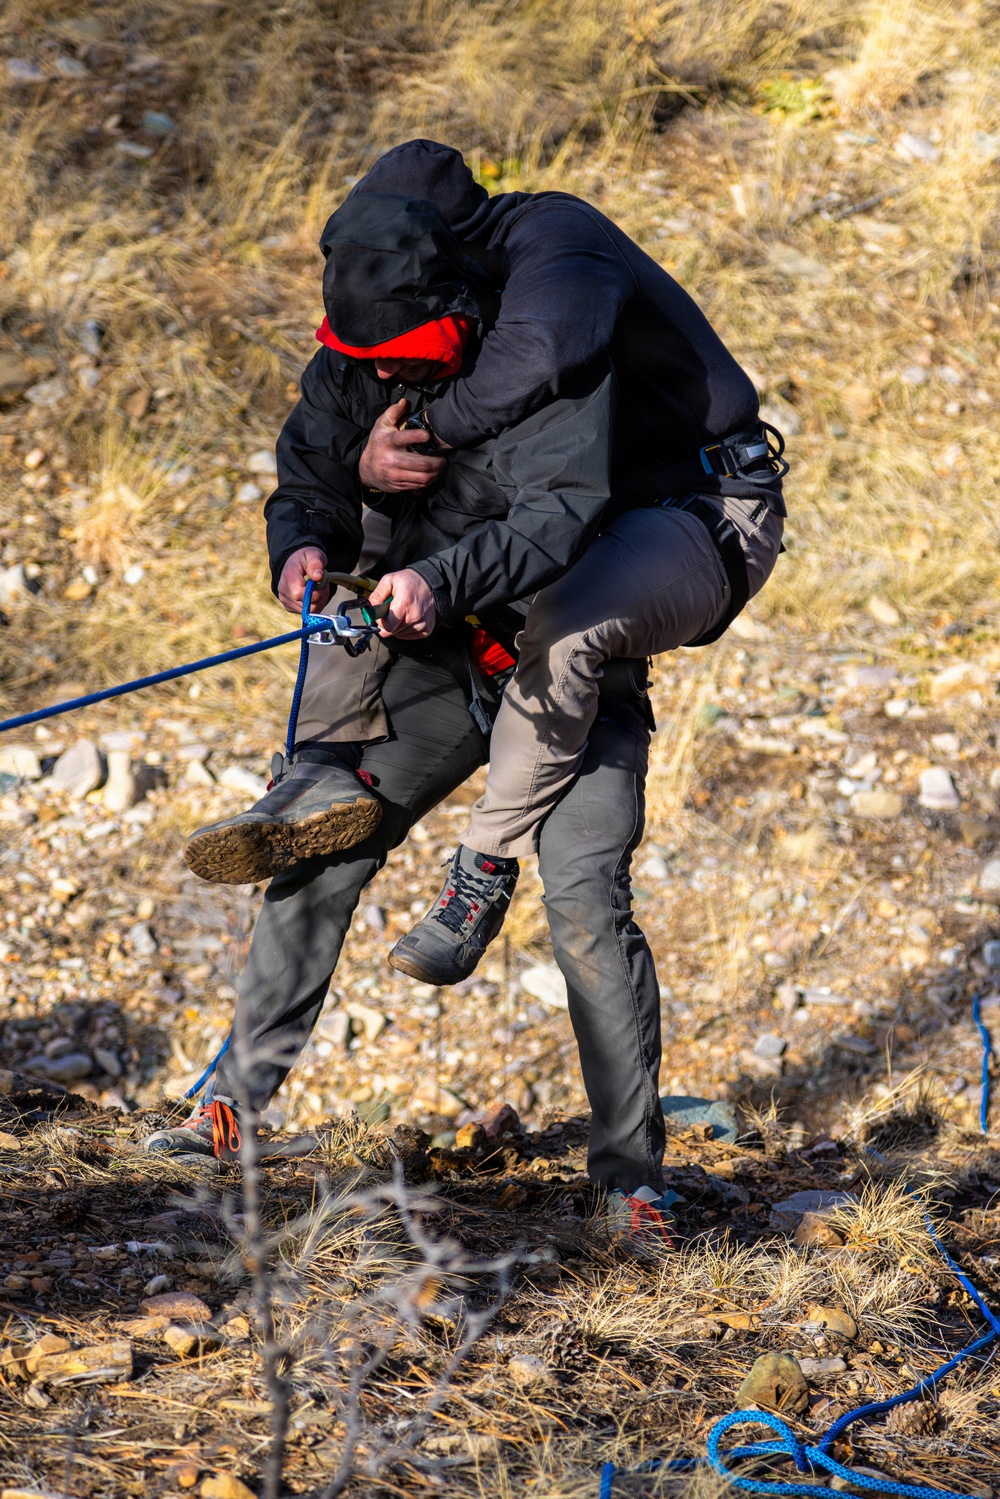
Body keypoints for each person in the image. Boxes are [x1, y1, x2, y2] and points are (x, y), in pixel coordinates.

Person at [145, 142, 785, 1236]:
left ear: (450, 305)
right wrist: (304, 540)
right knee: (325, 841)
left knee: (585, 897)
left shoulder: (544, 354)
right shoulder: (352, 358)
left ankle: (631, 1180)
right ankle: (227, 1107)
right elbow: (305, 468)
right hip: (445, 659)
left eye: (407, 359)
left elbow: (557, 516)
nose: (387, 378)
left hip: (568, 663)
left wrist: (432, 575)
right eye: (369, 360)